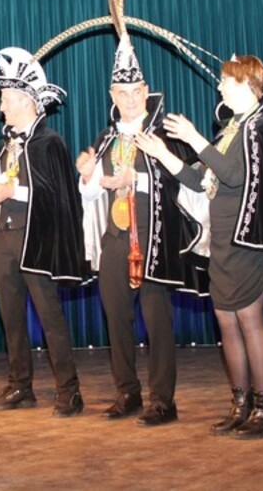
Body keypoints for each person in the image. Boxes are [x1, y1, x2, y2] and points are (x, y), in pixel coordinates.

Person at [135, 55, 263, 438]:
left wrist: (194, 138)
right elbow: (200, 180)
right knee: (227, 323)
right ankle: (241, 404)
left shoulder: (262, 127)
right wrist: (163, 153)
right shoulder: (232, 130)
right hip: (221, 242)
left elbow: (235, 175)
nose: (219, 87)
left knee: (250, 321)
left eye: (225, 81)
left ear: (247, 84)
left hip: (248, 242)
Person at [0, 47, 88, 418]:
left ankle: (69, 390)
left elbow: (58, 193)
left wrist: (14, 190)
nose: (2, 107)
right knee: (11, 316)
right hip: (7, 238)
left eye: (7, 99)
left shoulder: (50, 142)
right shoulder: (6, 145)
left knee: (49, 316)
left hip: (37, 238)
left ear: (28, 101)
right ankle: (20, 384)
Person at [76, 36, 195, 426]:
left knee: (157, 320)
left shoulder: (164, 134)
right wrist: (89, 176)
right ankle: (127, 392)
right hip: (115, 238)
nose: (128, 99)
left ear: (145, 91)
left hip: (153, 237)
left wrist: (136, 179)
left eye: (135, 92)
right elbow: (92, 194)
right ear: (112, 94)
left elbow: (183, 183)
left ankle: (163, 400)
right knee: (116, 318)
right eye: (121, 93)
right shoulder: (106, 138)